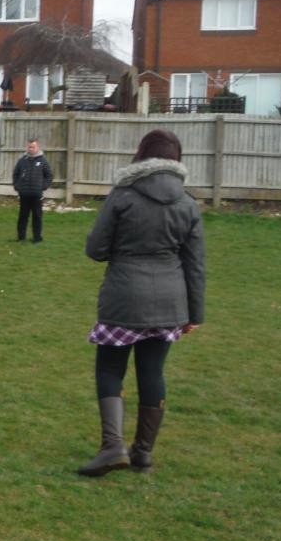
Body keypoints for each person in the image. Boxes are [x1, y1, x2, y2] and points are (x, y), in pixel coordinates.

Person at [78, 129, 206, 477]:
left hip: (124, 297)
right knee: (152, 371)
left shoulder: (122, 196)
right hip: (170, 303)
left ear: (142, 156)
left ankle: (112, 447)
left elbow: (95, 249)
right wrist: (195, 315)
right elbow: (195, 264)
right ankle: (143, 452)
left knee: (109, 369)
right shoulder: (188, 203)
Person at [13, 138, 53, 243]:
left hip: (36, 195)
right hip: (24, 194)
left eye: (33, 147)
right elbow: (15, 174)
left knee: (37, 217)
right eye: (29, 147)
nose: (31, 149)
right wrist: (17, 187)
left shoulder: (43, 161)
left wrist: (42, 186)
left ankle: (37, 238)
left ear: (37, 147)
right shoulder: (22, 160)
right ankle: (21, 238)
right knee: (23, 217)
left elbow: (49, 176)